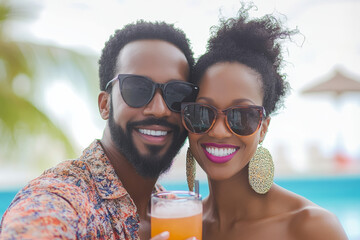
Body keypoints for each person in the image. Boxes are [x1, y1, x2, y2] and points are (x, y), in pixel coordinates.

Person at [0, 20, 199, 239]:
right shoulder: (64, 197)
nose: (159, 110)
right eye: (137, 89)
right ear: (105, 105)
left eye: (177, 94)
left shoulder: (170, 207)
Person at [179, 8, 348, 240]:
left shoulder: (310, 227)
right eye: (202, 113)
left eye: (242, 116)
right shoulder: (179, 224)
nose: (218, 131)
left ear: (263, 128)